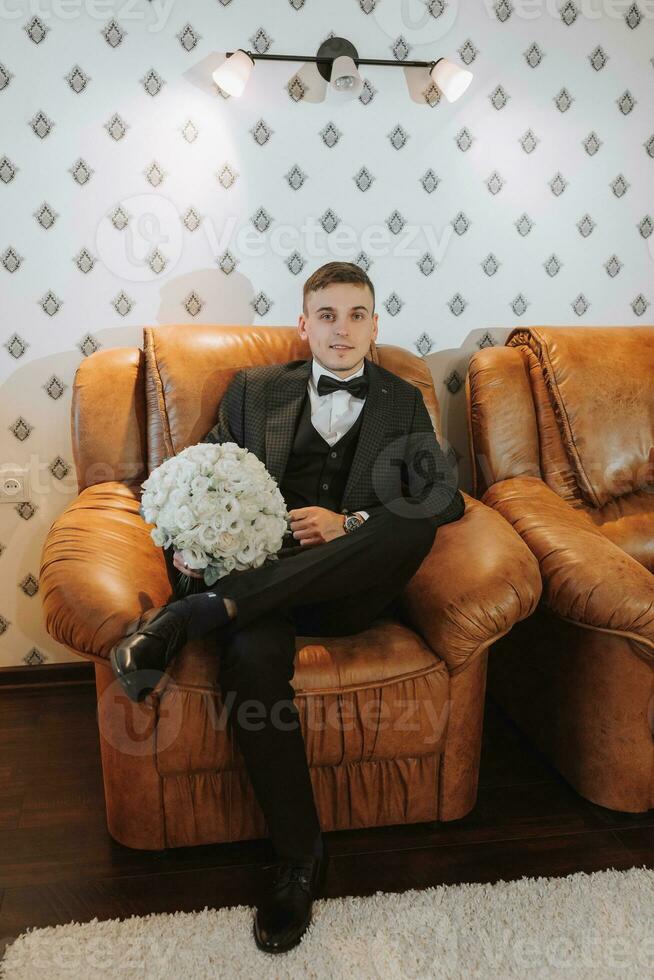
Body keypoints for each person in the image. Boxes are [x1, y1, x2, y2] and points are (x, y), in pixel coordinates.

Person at [109, 261, 466, 954]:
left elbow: (444, 497)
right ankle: (300, 858)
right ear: (304, 325)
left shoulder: (400, 400)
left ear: (374, 324)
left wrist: (351, 523)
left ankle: (197, 616)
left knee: (414, 519)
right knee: (251, 660)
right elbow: (205, 470)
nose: (342, 329)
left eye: (356, 314)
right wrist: (186, 534)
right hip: (262, 588)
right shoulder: (252, 391)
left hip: (347, 593)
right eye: (327, 315)